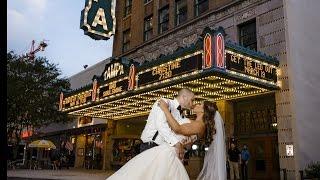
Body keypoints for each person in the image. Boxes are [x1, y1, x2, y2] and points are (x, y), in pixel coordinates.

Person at [107, 88, 196, 180]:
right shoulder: (163, 102)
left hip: (165, 150)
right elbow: (161, 125)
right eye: (192, 100)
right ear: (184, 97)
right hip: (150, 146)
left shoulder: (180, 114)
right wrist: (176, 143)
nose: (192, 103)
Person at [158, 100, 227, 180]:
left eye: (200, 104)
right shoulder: (195, 123)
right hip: (170, 152)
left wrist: (165, 109)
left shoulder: (199, 125)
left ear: (203, 110)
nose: (196, 104)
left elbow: (177, 129)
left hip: (170, 154)